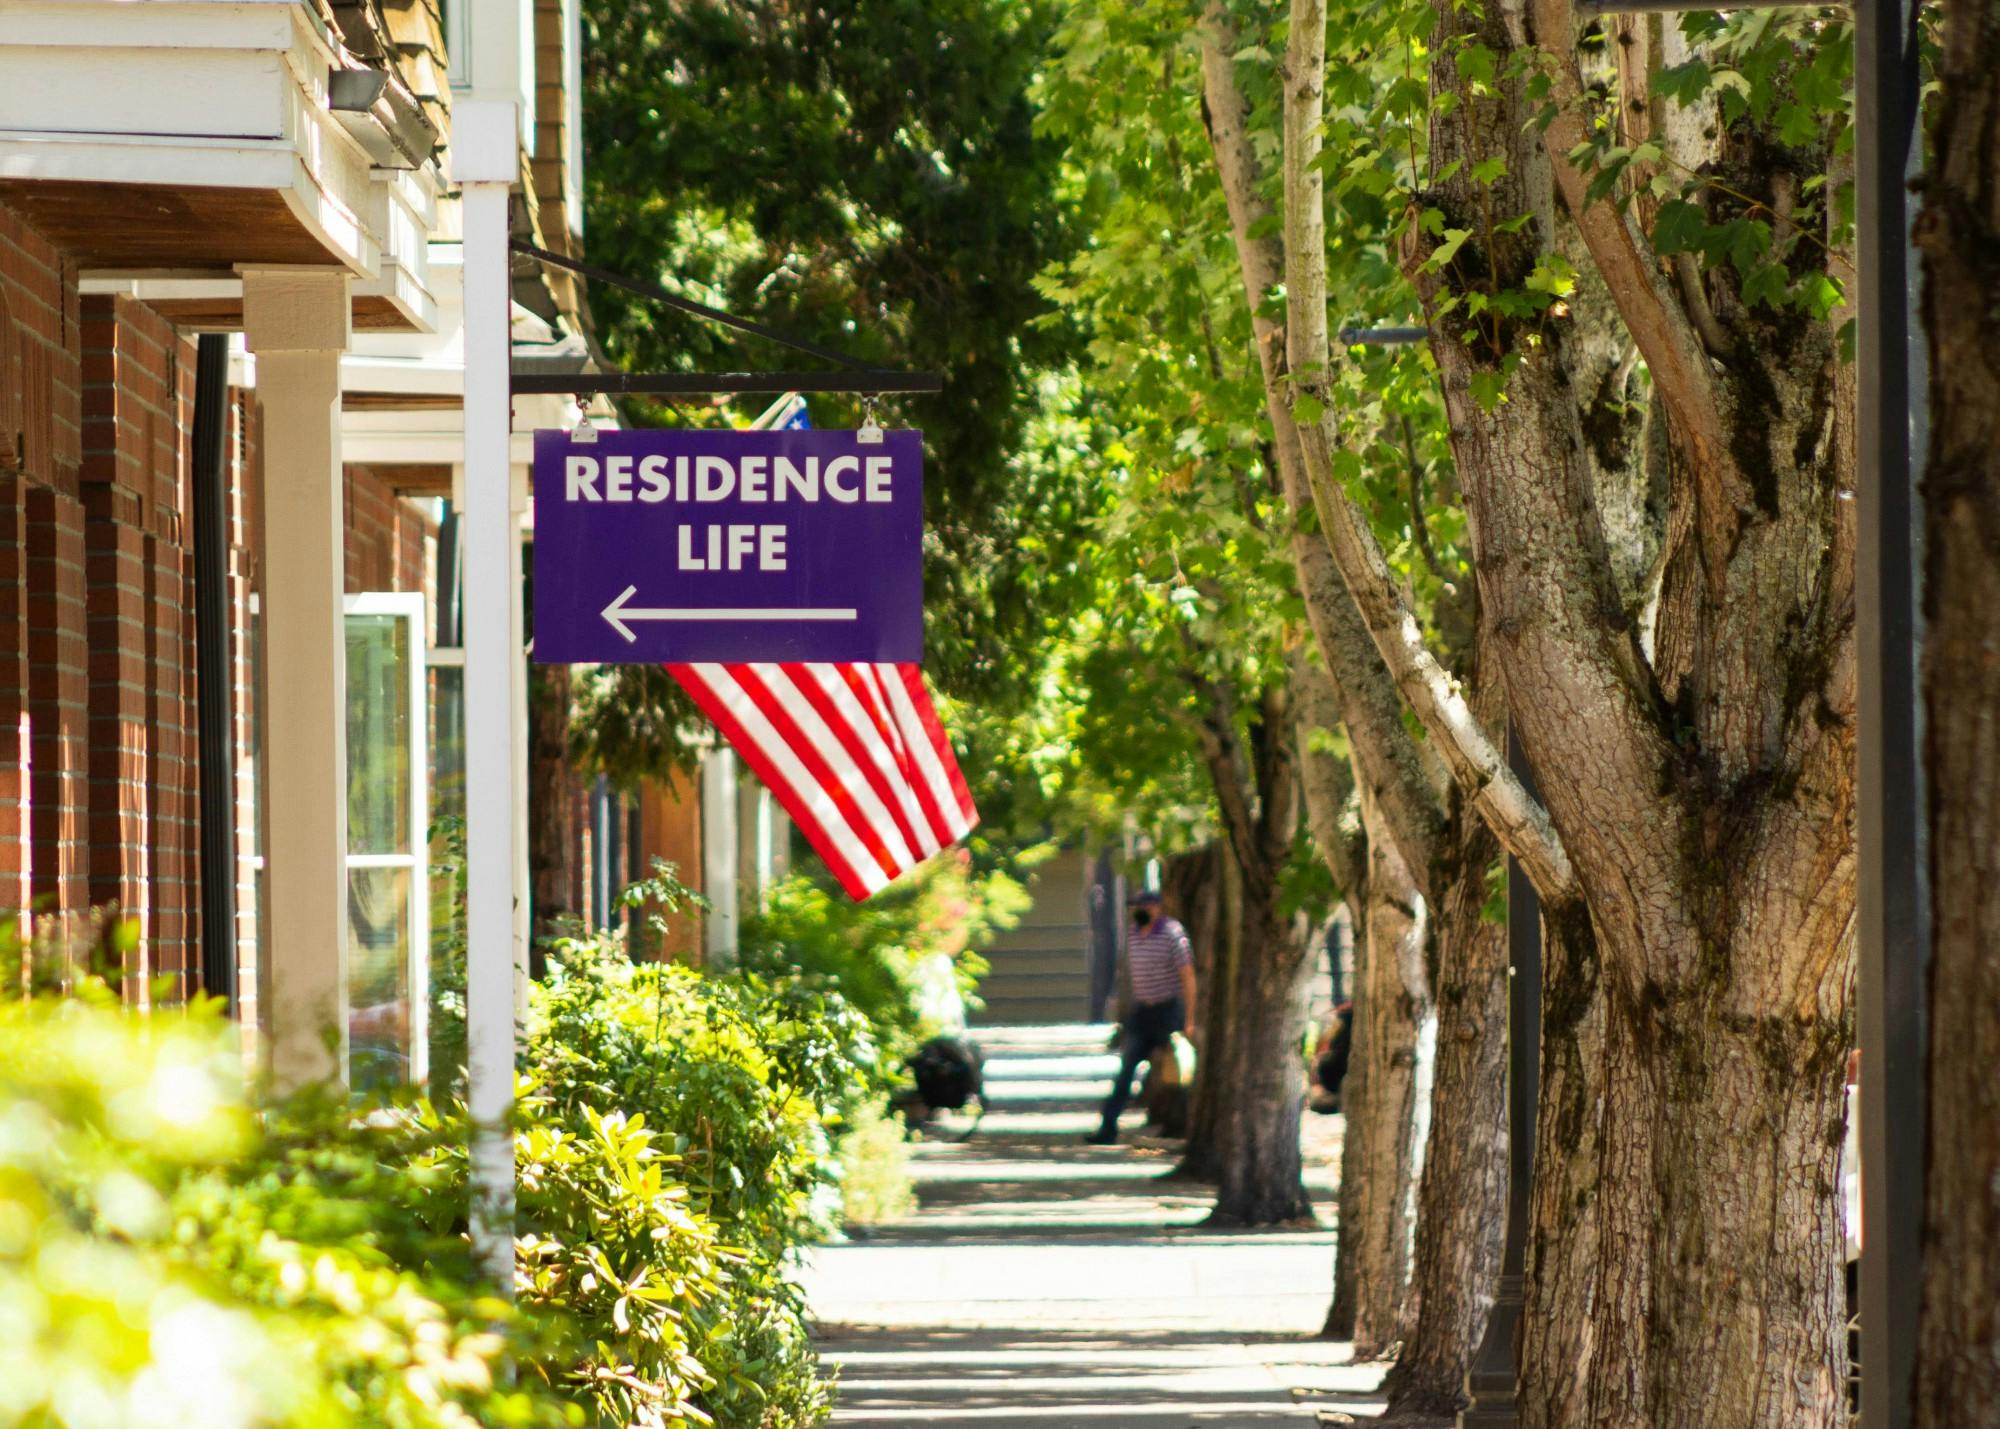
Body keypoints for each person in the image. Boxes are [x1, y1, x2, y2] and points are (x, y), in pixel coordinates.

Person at [1088, 890, 1196, 1145]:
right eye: (1135, 905)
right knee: (1127, 1070)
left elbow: (1188, 977)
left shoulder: (1172, 933)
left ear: (1157, 907)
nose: (1138, 910)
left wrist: (1189, 1019)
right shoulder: (1134, 934)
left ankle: (1185, 1125)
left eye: (1144, 905)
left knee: (1178, 1072)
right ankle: (1108, 1127)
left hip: (1167, 1011)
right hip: (1142, 1012)